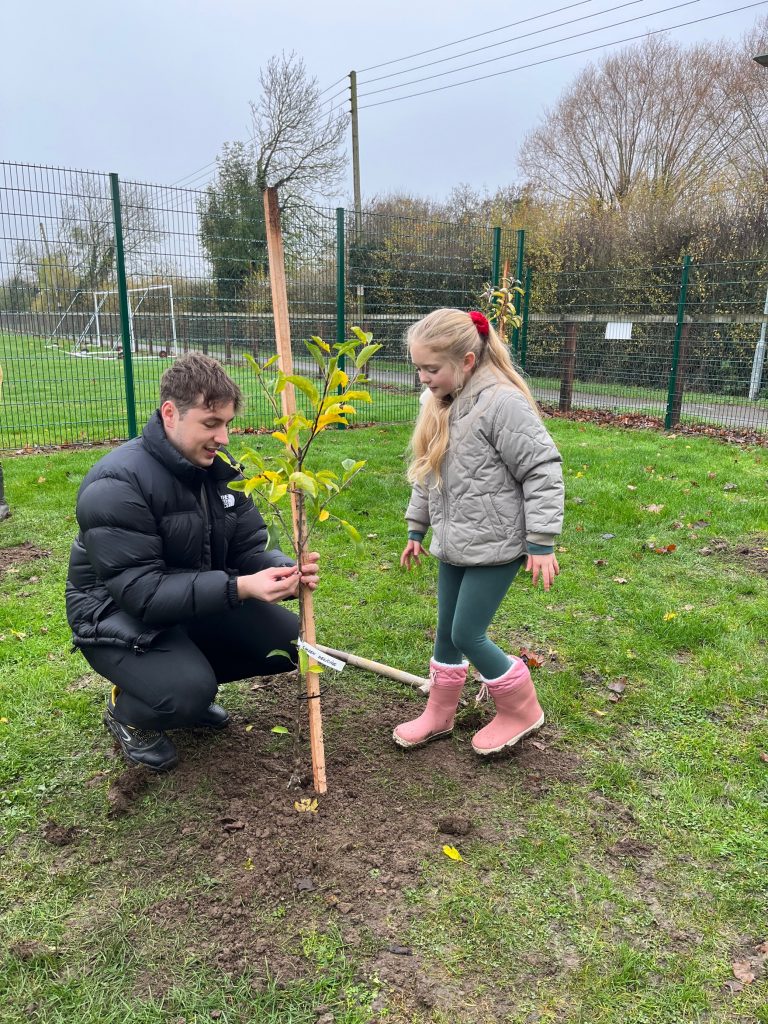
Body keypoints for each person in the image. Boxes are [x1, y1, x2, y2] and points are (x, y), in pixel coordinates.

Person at [66, 353, 319, 772]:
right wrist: (240, 587)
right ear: (171, 414)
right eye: (210, 423)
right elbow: (140, 594)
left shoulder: (221, 474)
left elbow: (248, 548)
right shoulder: (115, 484)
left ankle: (187, 682)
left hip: (190, 601)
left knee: (289, 643)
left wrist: (283, 567)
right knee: (185, 692)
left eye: (227, 424)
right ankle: (133, 710)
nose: (223, 438)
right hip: (115, 619)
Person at [394, 308, 564, 756]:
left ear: (467, 361)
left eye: (432, 369)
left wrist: (542, 542)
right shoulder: (443, 402)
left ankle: (521, 709)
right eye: (419, 368)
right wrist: (417, 527)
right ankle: (439, 712)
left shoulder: (501, 403)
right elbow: (429, 473)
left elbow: (542, 469)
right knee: (446, 633)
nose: (424, 378)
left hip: (498, 543)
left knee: (468, 632)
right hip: (454, 542)